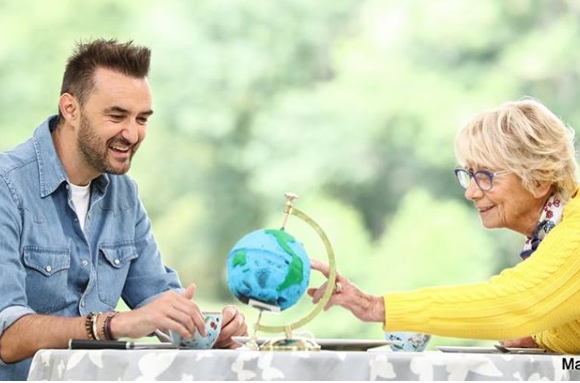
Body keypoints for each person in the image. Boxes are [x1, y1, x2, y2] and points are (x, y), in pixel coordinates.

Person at [0, 39, 247, 381]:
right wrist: (115, 324)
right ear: (70, 109)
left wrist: (203, 329)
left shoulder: (124, 195)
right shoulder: (7, 186)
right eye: (117, 116)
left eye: (142, 119)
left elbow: (158, 301)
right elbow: (7, 337)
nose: (132, 133)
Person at [308, 99, 580, 353]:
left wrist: (375, 306)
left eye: (485, 176)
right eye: (470, 175)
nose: (471, 192)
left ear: (540, 179)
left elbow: (517, 302)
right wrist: (541, 336)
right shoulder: (550, 237)